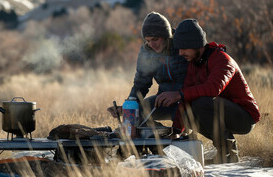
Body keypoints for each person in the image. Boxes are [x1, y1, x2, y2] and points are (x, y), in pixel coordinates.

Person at [155, 19, 260, 163]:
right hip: (220, 112)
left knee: (201, 102)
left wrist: (179, 94)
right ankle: (225, 152)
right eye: (178, 49)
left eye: (184, 48)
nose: (180, 53)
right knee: (187, 112)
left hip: (245, 117)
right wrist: (177, 131)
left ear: (196, 44)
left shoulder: (222, 60)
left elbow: (213, 89)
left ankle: (229, 153)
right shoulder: (193, 64)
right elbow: (186, 98)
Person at [107, 12, 187, 128]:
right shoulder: (146, 52)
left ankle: (182, 136)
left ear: (166, 35)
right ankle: (160, 135)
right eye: (148, 40)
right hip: (163, 101)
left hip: (186, 99)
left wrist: (181, 95)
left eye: (155, 39)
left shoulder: (181, 44)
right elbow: (141, 83)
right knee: (136, 112)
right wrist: (128, 106)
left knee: (184, 114)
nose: (151, 44)